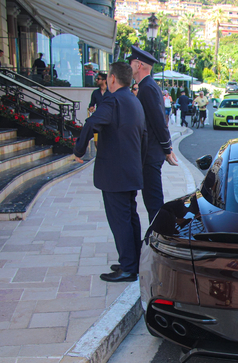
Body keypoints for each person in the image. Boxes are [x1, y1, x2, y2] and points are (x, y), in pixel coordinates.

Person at [73, 62, 146, 283]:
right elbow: (144, 137)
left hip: (116, 174)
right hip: (131, 171)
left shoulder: (113, 101)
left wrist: (79, 149)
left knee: (120, 220)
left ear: (112, 78)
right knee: (130, 218)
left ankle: (128, 268)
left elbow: (91, 122)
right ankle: (133, 262)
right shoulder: (134, 101)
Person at [128, 46, 179, 224]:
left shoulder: (147, 88)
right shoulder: (146, 86)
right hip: (150, 152)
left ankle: (160, 237)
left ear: (139, 65)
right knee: (152, 200)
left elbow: (158, 121)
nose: (129, 66)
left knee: (153, 202)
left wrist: (167, 147)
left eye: (131, 62)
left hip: (150, 153)